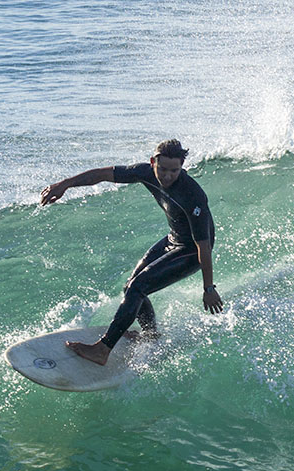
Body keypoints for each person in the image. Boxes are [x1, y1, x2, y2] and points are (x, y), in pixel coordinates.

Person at [40, 139, 223, 365]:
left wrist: (208, 288)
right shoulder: (145, 172)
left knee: (138, 287)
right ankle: (151, 334)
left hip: (192, 251)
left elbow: (203, 247)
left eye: (174, 171)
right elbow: (103, 174)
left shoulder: (193, 195)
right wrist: (65, 184)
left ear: (182, 167)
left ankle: (102, 350)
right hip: (173, 240)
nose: (167, 176)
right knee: (131, 286)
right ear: (152, 162)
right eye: (162, 169)